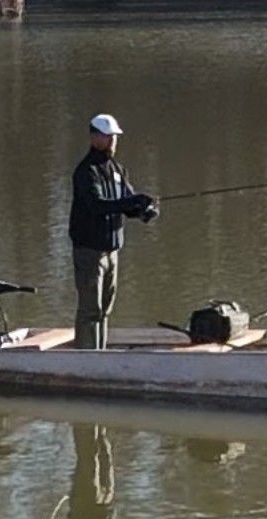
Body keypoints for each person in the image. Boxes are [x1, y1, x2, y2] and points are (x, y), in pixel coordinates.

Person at [69, 114, 158, 351]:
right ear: (94, 137)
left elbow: (125, 203)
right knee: (90, 309)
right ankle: (86, 359)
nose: (112, 142)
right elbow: (97, 205)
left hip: (112, 252)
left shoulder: (118, 169)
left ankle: (101, 353)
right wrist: (131, 201)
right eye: (107, 137)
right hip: (90, 251)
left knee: (104, 310)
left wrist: (142, 210)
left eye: (114, 137)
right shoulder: (86, 171)